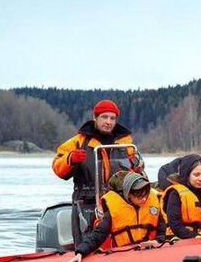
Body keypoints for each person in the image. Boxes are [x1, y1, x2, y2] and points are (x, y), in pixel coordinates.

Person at [52, 99, 143, 245]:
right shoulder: (78, 142)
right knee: (86, 244)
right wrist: (70, 159)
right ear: (95, 118)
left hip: (119, 203)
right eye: (104, 117)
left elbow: (138, 171)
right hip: (87, 203)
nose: (108, 122)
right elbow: (58, 167)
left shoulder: (126, 143)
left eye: (112, 118)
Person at [64, 171, 165, 262]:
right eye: (139, 196)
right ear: (128, 194)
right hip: (125, 258)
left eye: (146, 195)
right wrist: (80, 253)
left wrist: (158, 241)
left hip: (152, 254)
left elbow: (163, 231)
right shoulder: (114, 211)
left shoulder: (154, 204)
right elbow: (97, 235)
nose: (143, 199)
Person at [161, 154, 201, 239]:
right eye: (196, 175)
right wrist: (195, 236)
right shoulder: (175, 194)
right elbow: (175, 225)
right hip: (177, 238)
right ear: (187, 175)